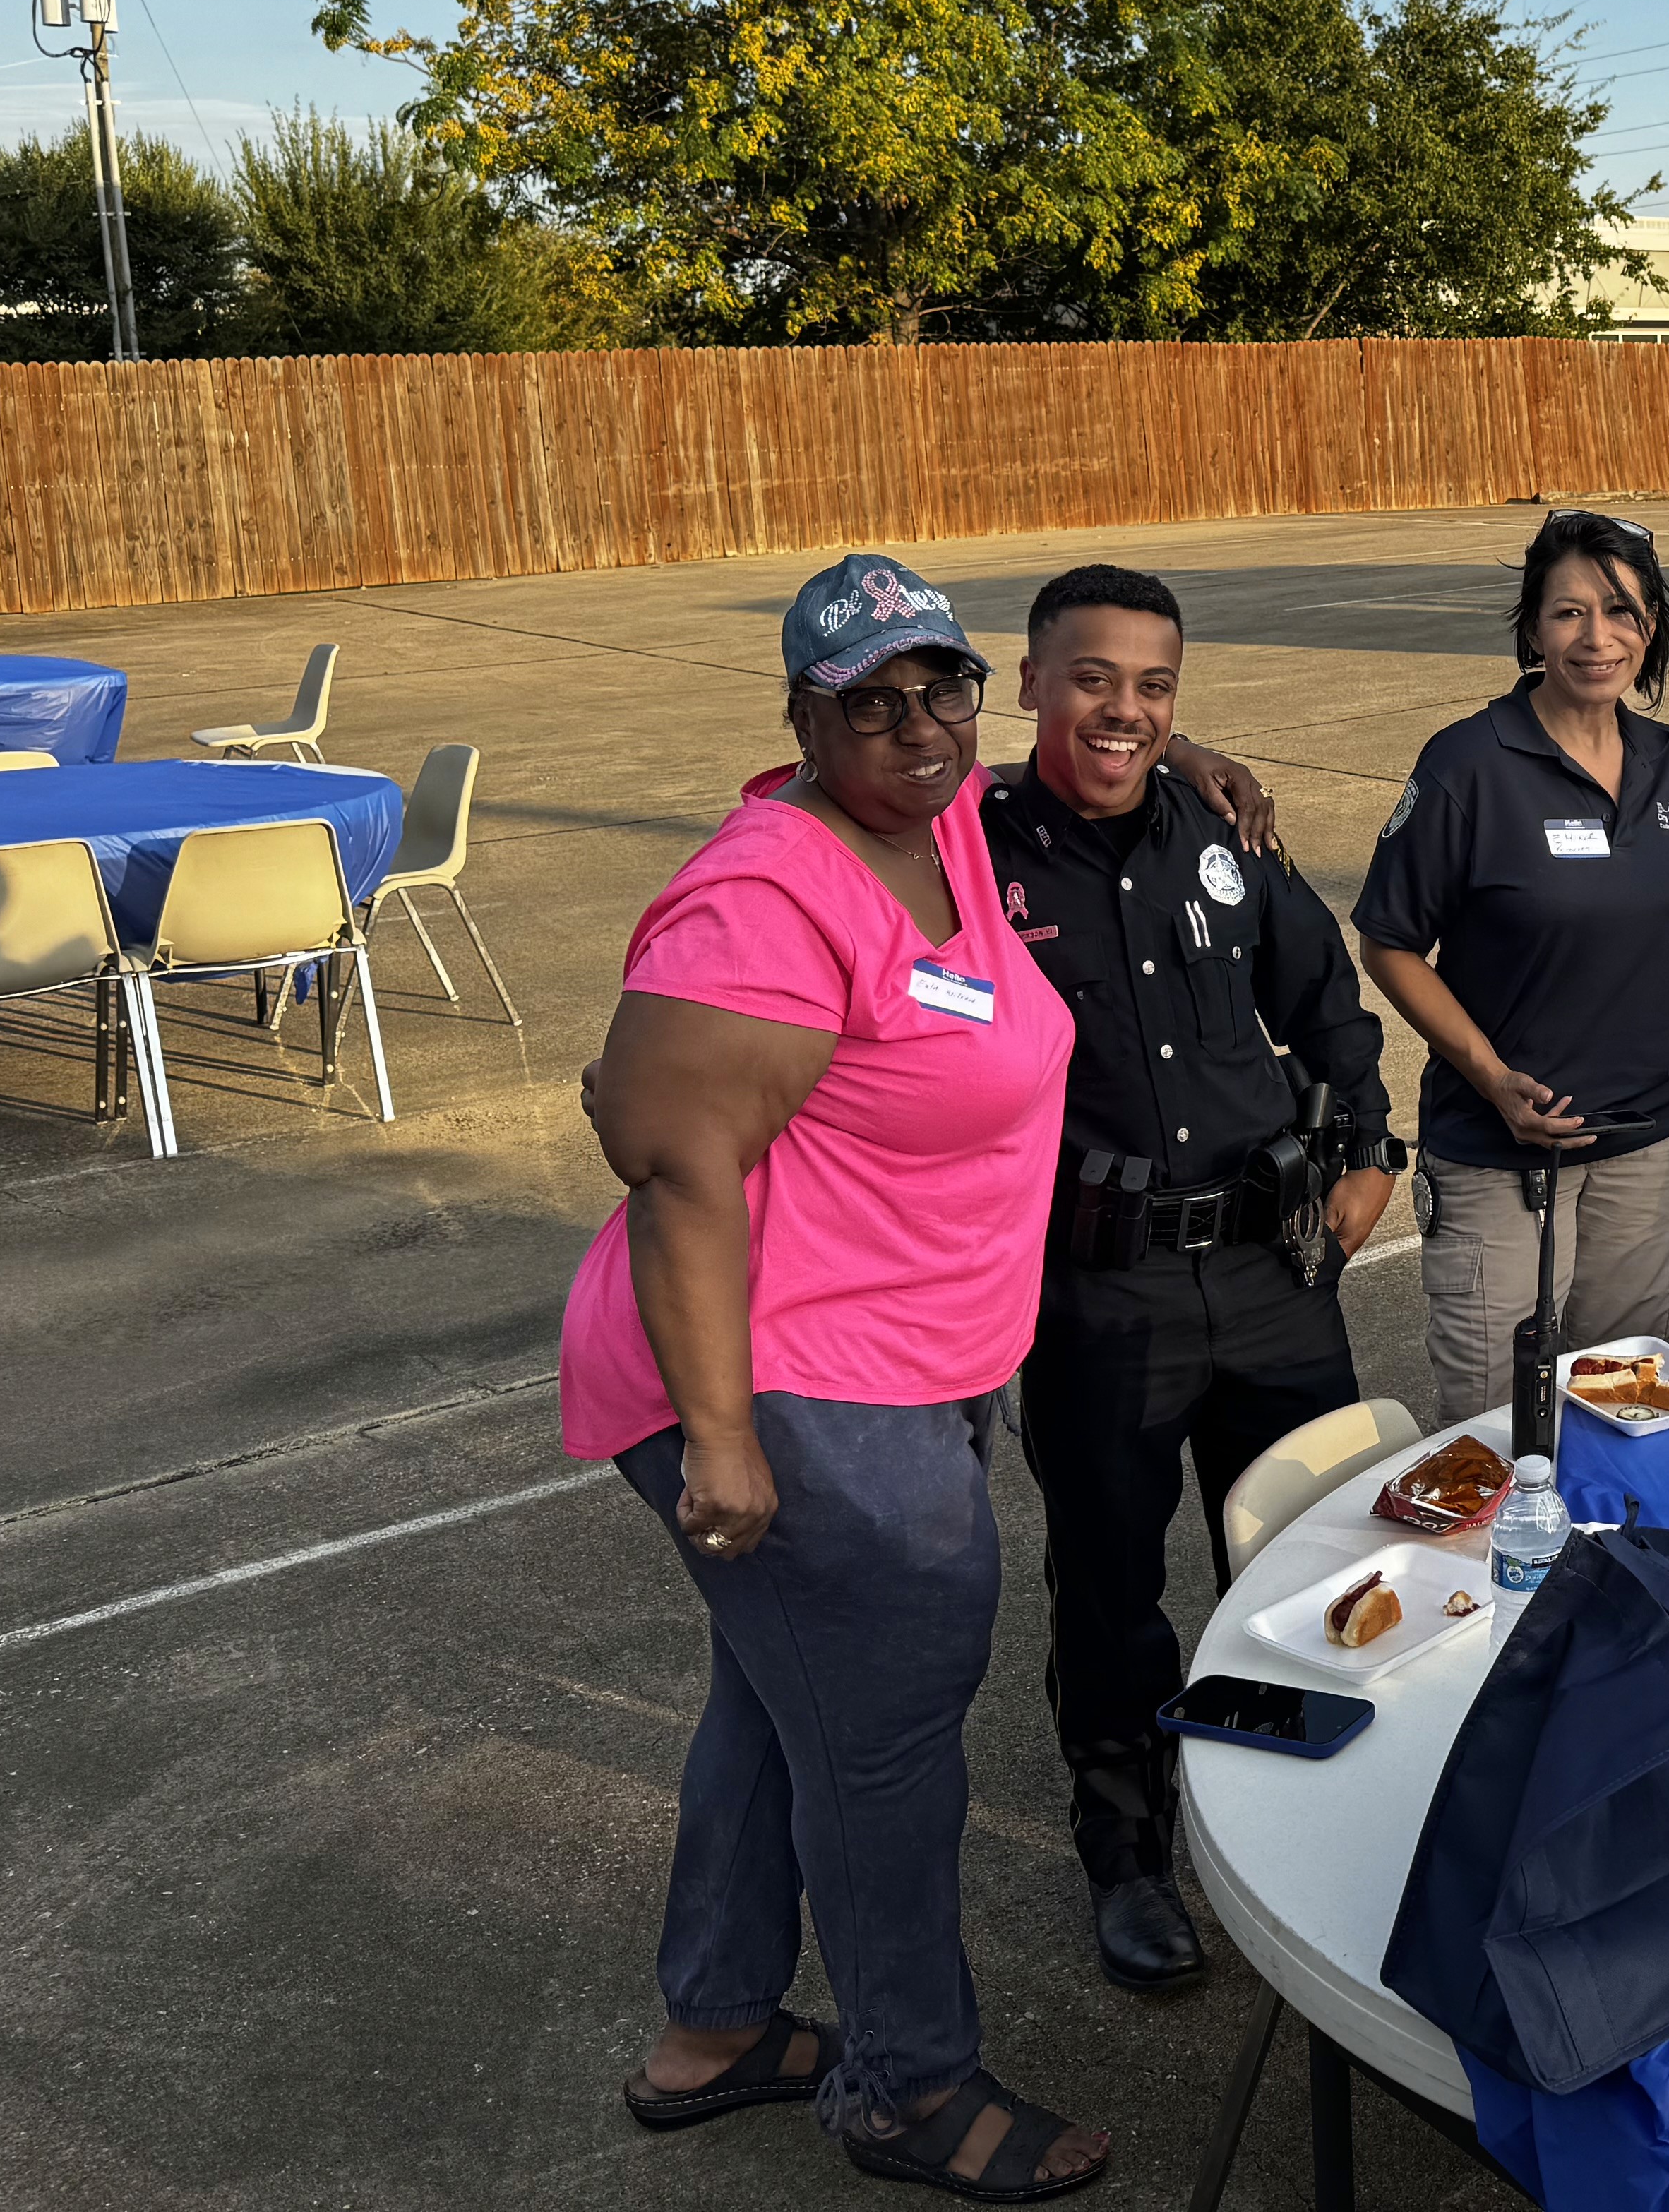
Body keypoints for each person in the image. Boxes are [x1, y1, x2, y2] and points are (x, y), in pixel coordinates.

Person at [565, 551, 1109, 2198]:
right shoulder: (769, 897)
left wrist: (1191, 759)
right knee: (885, 1749)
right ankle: (908, 2089)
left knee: (779, 1694)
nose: (919, 727)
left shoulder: (935, 825)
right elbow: (663, 1152)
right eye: (871, 703)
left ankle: (717, 2022)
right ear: (804, 717)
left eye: (943, 687)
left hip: (889, 1357)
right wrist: (725, 1440)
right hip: (787, 1385)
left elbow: (996, 778)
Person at [986, 564, 1400, 1997]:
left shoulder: (1224, 832)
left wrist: (1370, 1143)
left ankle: (1291, 1815)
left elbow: (1326, 998)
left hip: (1275, 1266)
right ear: (1030, 682)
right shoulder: (968, 850)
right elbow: (825, 800)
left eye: (1155, 685)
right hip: (1101, 1294)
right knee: (1110, 1587)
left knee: (1309, 1557)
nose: (1126, 708)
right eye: (1092, 678)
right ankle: (1128, 1853)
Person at [1356, 512, 1669, 1425]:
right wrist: (1491, 1077)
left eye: (1621, 611)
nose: (1597, 637)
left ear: (1650, 627)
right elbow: (1390, 941)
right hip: (1501, 1157)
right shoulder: (1468, 766)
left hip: (1652, 1139)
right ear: (1532, 628)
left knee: (1631, 1410)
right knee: (1499, 1426)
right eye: (1569, 612)